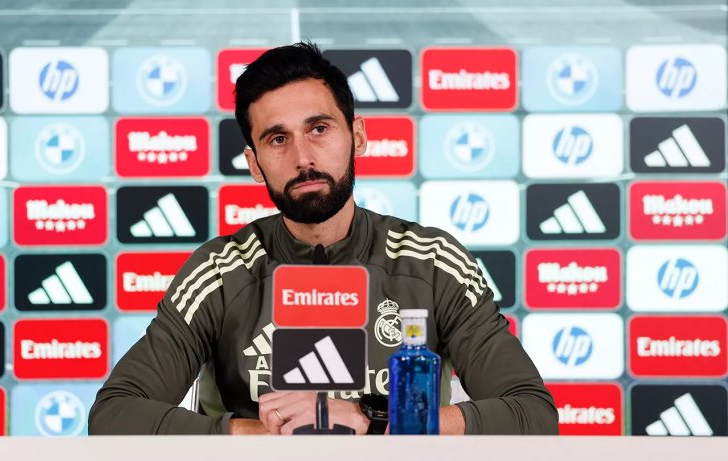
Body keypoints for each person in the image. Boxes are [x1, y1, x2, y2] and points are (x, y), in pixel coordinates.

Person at [89, 42, 558, 435]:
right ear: (254, 164)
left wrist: (370, 419)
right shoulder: (219, 271)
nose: (303, 157)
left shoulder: (432, 262)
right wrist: (254, 434)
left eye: (318, 128)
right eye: (277, 139)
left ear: (358, 136)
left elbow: (533, 414)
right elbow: (113, 415)